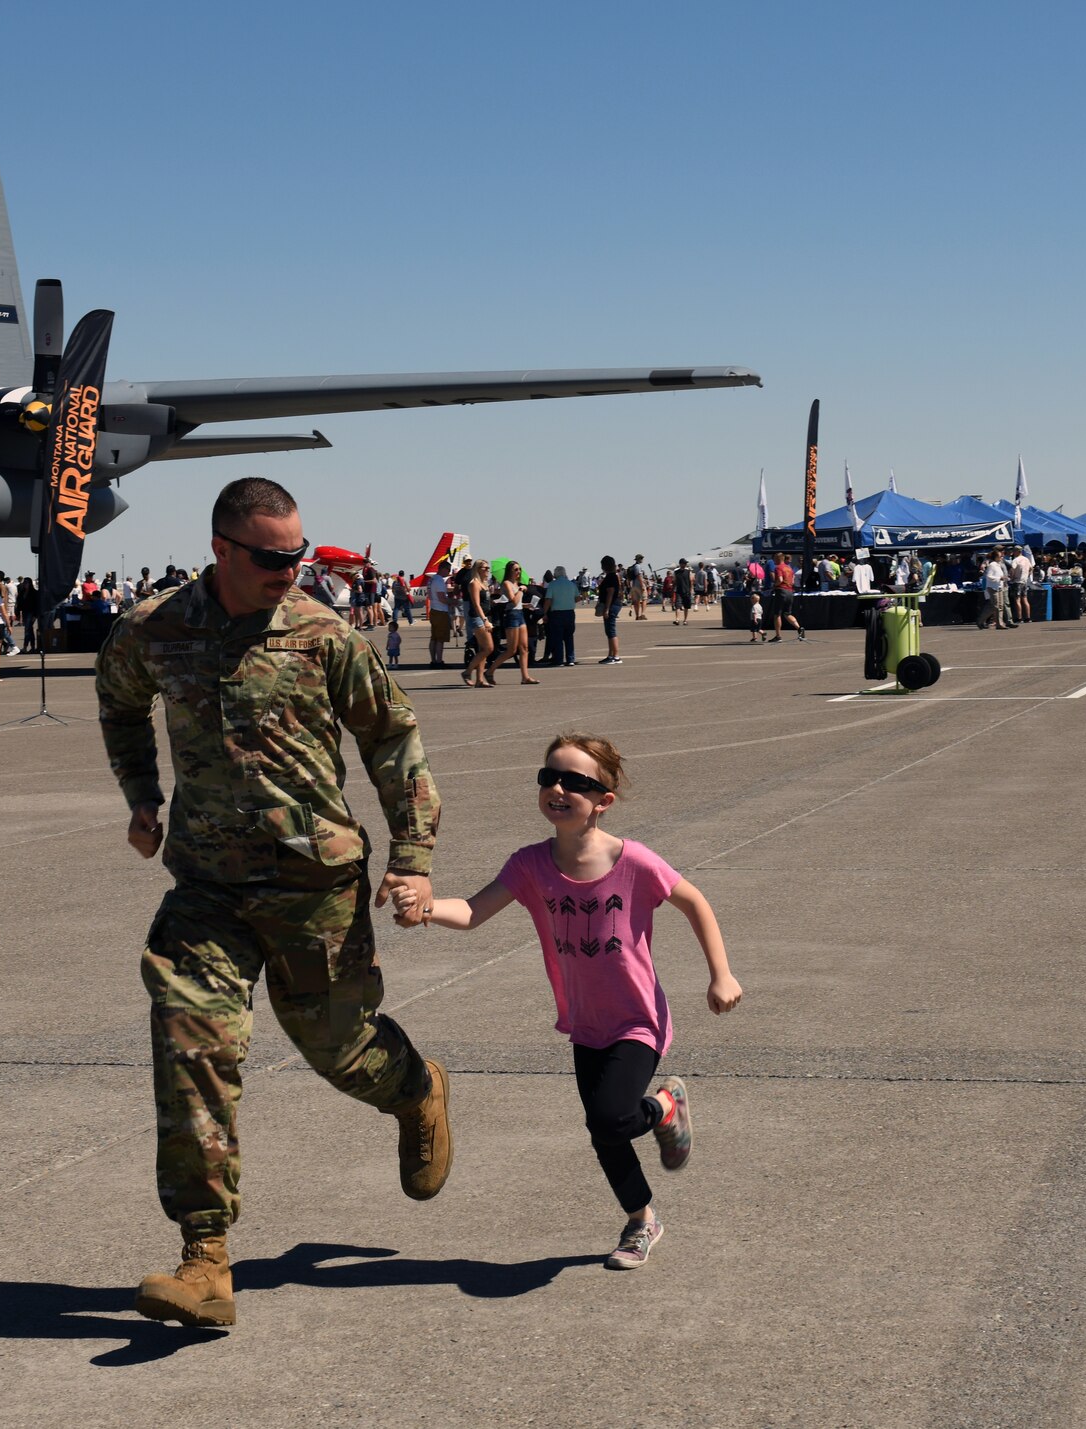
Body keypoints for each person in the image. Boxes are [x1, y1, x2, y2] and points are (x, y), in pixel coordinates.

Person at [95, 476, 452, 1331]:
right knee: (191, 1043)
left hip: (312, 887)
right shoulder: (155, 628)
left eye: (298, 553)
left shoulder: (323, 634)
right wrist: (141, 794)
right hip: (207, 888)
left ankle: (415, 1089)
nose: (290, 569)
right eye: (272, 557)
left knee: (340, 1050)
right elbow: (117, 701)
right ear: (221, 548)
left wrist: (413, 856)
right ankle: (205, 1255)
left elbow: (392, 738)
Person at [392, 734, 742, 1271]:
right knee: (604, 1132)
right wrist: (425, 907)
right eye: (549, 777)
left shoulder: (635, 861)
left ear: (604, 800)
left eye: (576, 783)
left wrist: (720, 974)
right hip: (585, 1022)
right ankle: (642, 1219)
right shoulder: (530, 865)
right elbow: (472, 912)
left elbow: (694, 901)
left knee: (611, 1115)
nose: (558, 789)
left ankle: (663, 1107)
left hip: (636, 1019)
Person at [461, 559, 495, 687]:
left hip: (484, 617)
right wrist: (485, 620)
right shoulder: (474, 583)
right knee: (488, 648)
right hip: (477, 618)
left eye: (488, 568)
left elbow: (484, 602)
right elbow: (476, 604)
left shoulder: (484, 583)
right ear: (477, 569)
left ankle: (479, 680)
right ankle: (467, 672)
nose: (487, 570)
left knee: (483, 649)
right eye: (484, 568)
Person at [544, 565, 578, 667]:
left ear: (555, 574)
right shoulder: (571, 584)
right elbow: (578, 598)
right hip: (570, 613)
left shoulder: (552, 585)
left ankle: (559, 660)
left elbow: (548, 600)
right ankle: (570, 659)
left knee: (557, 637)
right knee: (569, 637)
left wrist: (544, 613)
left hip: (557, 613)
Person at [769, 553, 805, 642]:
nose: (773, 561)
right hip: (790, 591)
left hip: (781, 591)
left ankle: (778, 636)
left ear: (778, 558)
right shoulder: (789, 568)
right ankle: (799, 628)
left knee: (777, 614)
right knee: (787, 613)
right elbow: (792, 581)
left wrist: (774, 586)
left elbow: (780, 580)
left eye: (774, 559)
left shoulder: (778, 568)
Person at [595, 556, 624, 664]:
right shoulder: (612, 576)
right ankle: (611, 655)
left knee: (611, 630)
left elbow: (610, 593)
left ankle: (616, 656)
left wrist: (606, 609)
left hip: (612, 605)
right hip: (614, 604)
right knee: (609, 630)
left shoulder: (611, 577)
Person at [425, 558, 453, 667]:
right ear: (443, 569)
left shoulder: (431, 580)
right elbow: (442, 598)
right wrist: (452, 602)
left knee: (434, 637)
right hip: (441, 611)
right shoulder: (439, 581)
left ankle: (433, 660)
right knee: (440, 638)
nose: (448, 572)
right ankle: (439, 661)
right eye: (448, 570)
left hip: (434, 609)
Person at [15, 577, 41, 653]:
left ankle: (25, 647)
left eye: (27, 582)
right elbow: (19, 604)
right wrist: (17, 613)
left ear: (30, 583)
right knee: (30, 630)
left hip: (31, 613)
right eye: (24, 582)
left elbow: (37, 605)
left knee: (27, 629)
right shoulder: (22, 592)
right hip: (24, 613)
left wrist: (35, 615)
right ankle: (32, 647)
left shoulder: (34, 593)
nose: (25, 584)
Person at [628, 554, 649, 621]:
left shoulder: (634, 566)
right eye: (641, 558)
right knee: (644, 599)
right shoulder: (638, 566)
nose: (642, 560)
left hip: (635, 585)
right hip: (639, 585)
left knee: (636, 601)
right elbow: (639, 576)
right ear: (639, 559)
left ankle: (637, 615)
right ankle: (642, 614)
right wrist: (642, 585)